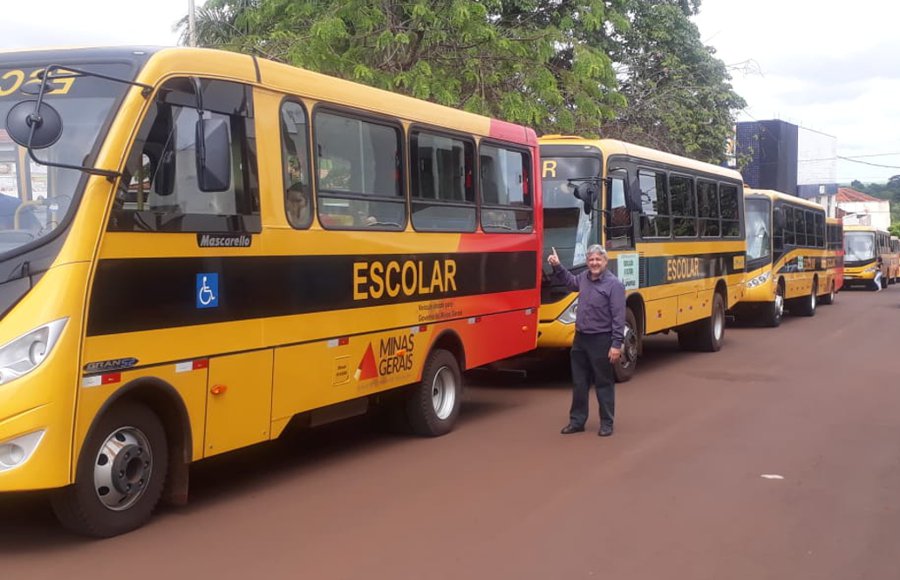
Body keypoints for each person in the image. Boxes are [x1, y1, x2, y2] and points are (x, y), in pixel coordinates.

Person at [548, 244, 626, 437]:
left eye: (598, 260)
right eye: (591, 260)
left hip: (602, 339)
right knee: (579, 383)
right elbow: (570, 282)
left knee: (603, 383)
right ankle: (577, 422)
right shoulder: (583, 278)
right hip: (581, 339)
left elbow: (618, 317)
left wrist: (616, 344)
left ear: (605, 262)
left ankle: (607, 423)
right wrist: (557, 266)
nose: (594, 263)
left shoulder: (614, 285)